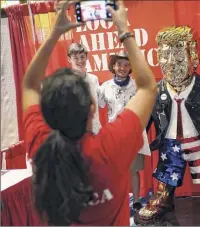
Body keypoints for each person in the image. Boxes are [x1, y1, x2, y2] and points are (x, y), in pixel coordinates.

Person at [22, 0, 157, 225]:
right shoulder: (111, 145)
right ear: (92, 107)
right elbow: (148, 86)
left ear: (45, 112)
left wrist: (55, 32)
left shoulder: (40, 146)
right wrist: (123, 29)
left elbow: (28, 85)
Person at [134, 25, 200, 226]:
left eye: (179, 56)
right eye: (165, 56)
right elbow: (143, 121)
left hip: (199, 141)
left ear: (194, 58)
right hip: (170, 143)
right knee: (166, 172)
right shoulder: (155, 92)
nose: (171, 63)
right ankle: (162, 197)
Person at [98, 50, 151, 212]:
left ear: (130, 68)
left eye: (126, 65)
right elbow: (99, 105)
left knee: (133, 170)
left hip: (132, 134)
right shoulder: (104, 87)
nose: (122, 68)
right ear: (113, 66)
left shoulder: (137, 86)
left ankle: (135, 201)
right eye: (119, 64)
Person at [67, 42, 101, 135]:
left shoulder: (94, 79)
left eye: (82, 57)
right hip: (75, 132)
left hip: (95, 129)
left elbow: (99, 104)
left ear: (86, 57)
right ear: (69, 59)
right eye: (75, 58)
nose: (80, 60)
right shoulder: (65, 82)